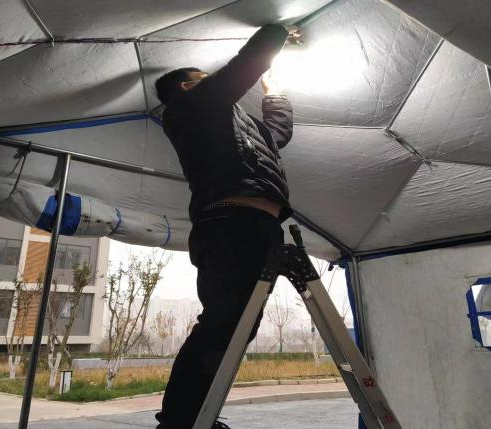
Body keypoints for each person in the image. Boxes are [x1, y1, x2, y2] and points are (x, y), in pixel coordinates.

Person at [154, 24, 301, 429]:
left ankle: (195, 415)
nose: (212, 81)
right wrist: (277, 31)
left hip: (258, 226)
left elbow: (277, 135)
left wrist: (274, 92)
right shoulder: (187, 110)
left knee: (239, 328)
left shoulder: (235, 121)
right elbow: (242, 68)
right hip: (228, 225)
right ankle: (178, 421)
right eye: (204, 78)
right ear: (187, 87)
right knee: (223, 323)